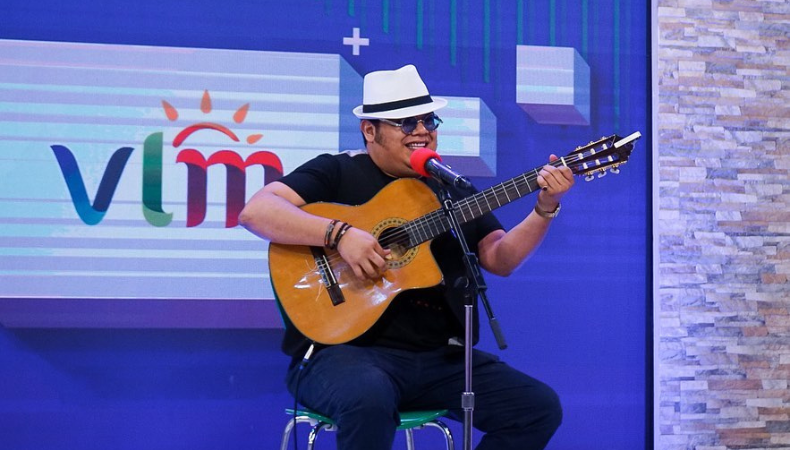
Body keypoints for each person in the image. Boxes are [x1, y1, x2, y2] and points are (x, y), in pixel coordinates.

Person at [239, 64, 573, 450]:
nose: (421, 130)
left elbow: (500, 258)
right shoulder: (336, 171)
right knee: (369, 398)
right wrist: (340, 234)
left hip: (439, 358)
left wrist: (545, 207)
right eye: (405, 122)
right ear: (370, 130)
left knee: (536, 408)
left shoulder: (449, 186)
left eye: (428, 120)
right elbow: (257, 212)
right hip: (342, 356)